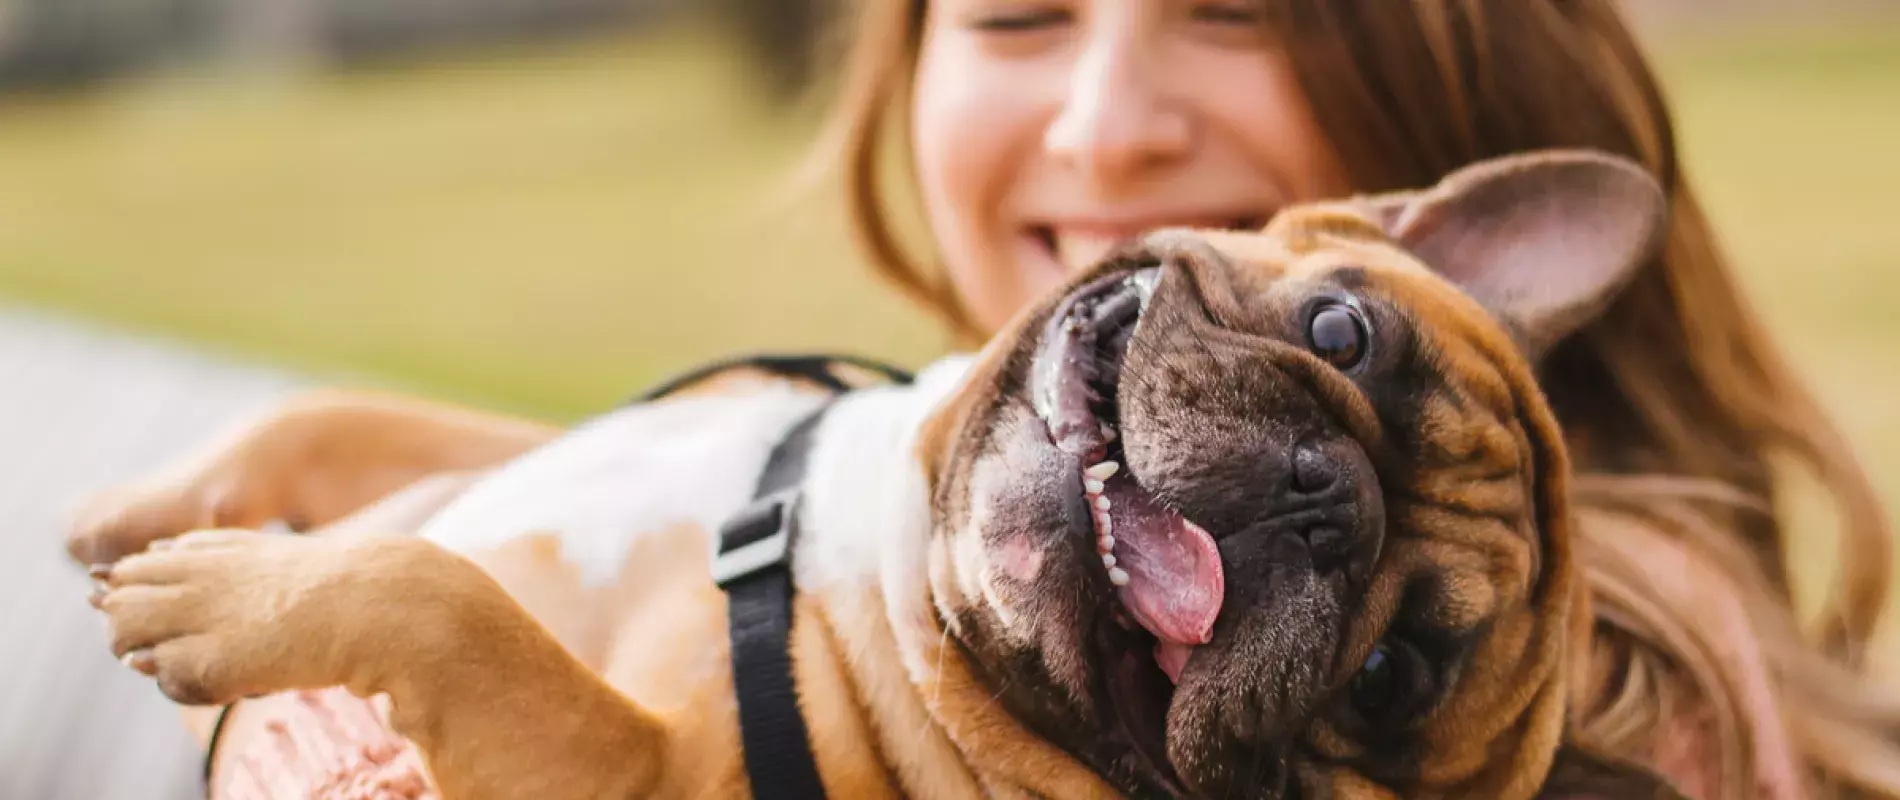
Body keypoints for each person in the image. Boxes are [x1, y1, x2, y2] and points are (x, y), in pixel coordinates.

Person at [79, 2, 1900, 797]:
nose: (1108, 122)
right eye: (1020, 17)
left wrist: (349, 672)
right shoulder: (940, 473)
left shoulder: (1627, 699)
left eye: (1243, 17)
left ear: (1452, 89)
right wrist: (340, 467)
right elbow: (657, 505)